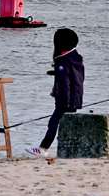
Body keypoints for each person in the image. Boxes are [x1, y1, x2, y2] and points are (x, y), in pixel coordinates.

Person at [27, 28, 84, 158]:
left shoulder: (63, 61)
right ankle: (67, 151)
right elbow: (76, 78)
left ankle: (43, 148)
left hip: (65, 100)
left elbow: (65, 84)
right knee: (64, 125)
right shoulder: (75, 58)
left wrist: (64, 102)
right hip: (75, 98)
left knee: (53, 123)